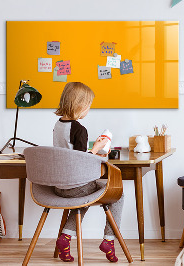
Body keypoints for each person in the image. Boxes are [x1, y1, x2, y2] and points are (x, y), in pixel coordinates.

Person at [53, 82, 123, 263]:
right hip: (76, 186)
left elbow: (70, 154)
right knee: (118, 194)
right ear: (80, 105)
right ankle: (109, 240)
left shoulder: (58, 125)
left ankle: (65, 238)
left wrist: (93, 149)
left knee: (83, 197)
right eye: (88, 106)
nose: (88, 110)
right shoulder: (79, 129)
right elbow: (81, 161)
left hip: (59, 186)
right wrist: (98, 148)